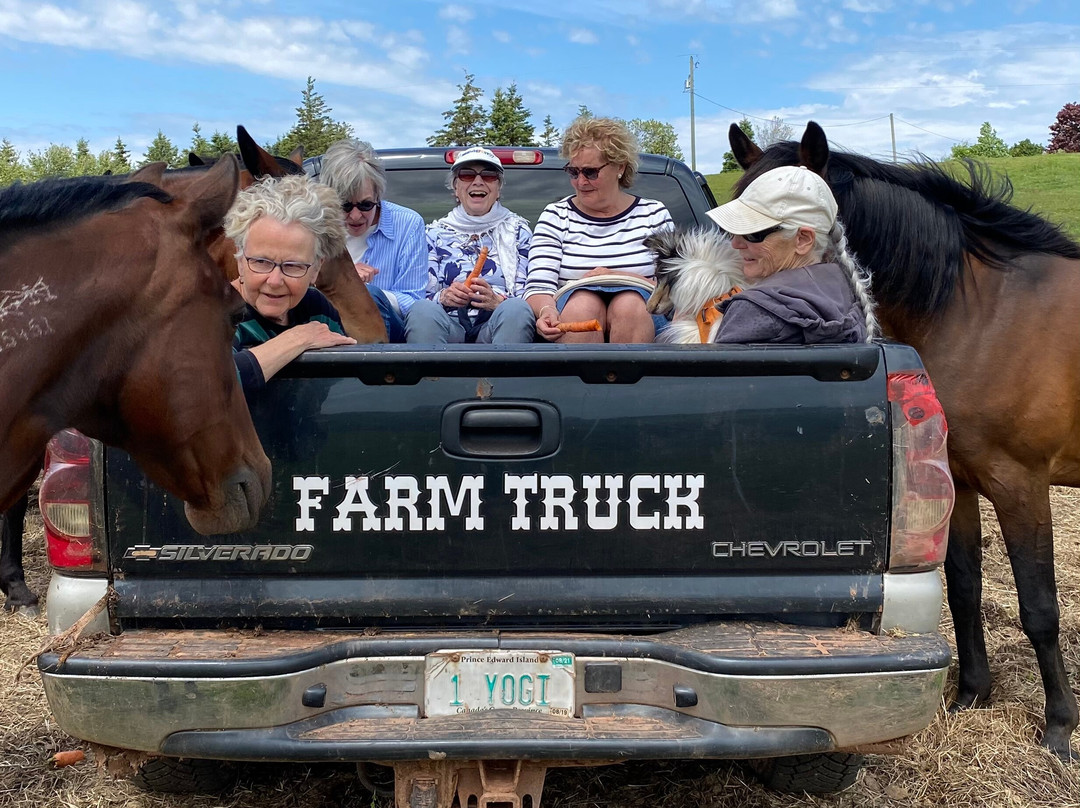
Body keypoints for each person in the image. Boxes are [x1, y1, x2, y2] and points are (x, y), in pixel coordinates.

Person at [524, 116, 674, 344]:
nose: (580, 181)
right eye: (573, 172)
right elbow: (539, 284)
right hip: (573, 312)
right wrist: (546, 310)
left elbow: (675, 286)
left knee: (630, 306)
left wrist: (618, 277)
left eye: (590, 172)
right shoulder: (556, 215)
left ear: (620, 167)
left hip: (643, 311)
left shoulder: (653, 214)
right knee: (583, 306)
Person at [705, 165, 878, 344]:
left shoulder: (754, 310)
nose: (735, 243)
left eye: (753, 234)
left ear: (802, 240)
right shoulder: (844, 293)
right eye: (734, 231)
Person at [226, 174, 356, 394]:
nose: (275, 281)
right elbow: (209, 390)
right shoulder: (217, 315)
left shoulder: (317, 311)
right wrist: (297, 339)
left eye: (293, 266)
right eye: (261, 262)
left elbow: (342, 386)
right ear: (240, 262)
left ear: (315, 269)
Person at [406, 147, 535, 344]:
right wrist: (445, 297)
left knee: (516, 308)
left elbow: (529, 295)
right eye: (466, 175)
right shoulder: (432, 233)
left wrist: (497, 302)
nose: (478, 181)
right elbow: (418, 295)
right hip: (448, 326)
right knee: (422, 309)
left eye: (489, 175)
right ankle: (433, 375)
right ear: (456, 189)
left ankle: (503, 374)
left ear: (498, 189)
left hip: (498, 325)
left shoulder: (518, 232)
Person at [318, 138, 427, 343]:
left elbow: (414, 300)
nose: (356, 216)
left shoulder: (407, 224)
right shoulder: (317, 226)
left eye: (366, 205)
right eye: (345, 206)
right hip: (328, 327)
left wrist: (357, 290)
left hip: (389, 332)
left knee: (369, 297)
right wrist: (346, 281)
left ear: (378, 195)